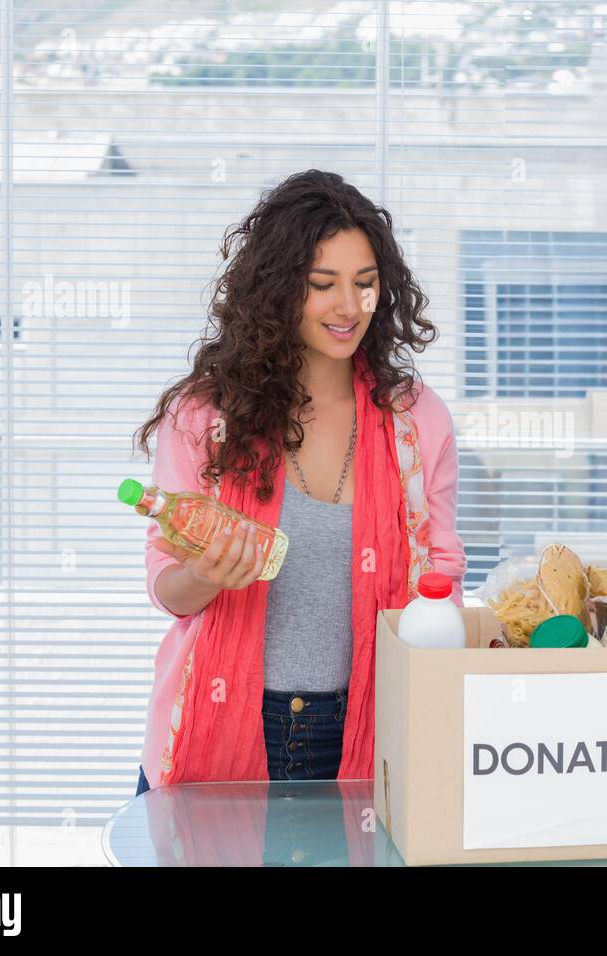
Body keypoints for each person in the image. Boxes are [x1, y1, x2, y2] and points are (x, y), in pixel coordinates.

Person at [129, 170, 465, 795]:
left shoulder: (418, 419)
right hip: (221, 721)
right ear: (278, 290)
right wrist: (204, 576)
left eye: (365, 285)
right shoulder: (205, 417)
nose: (348, 306)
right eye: (322, 285)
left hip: (372, 726)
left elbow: (440, 574)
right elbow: (169, 590)